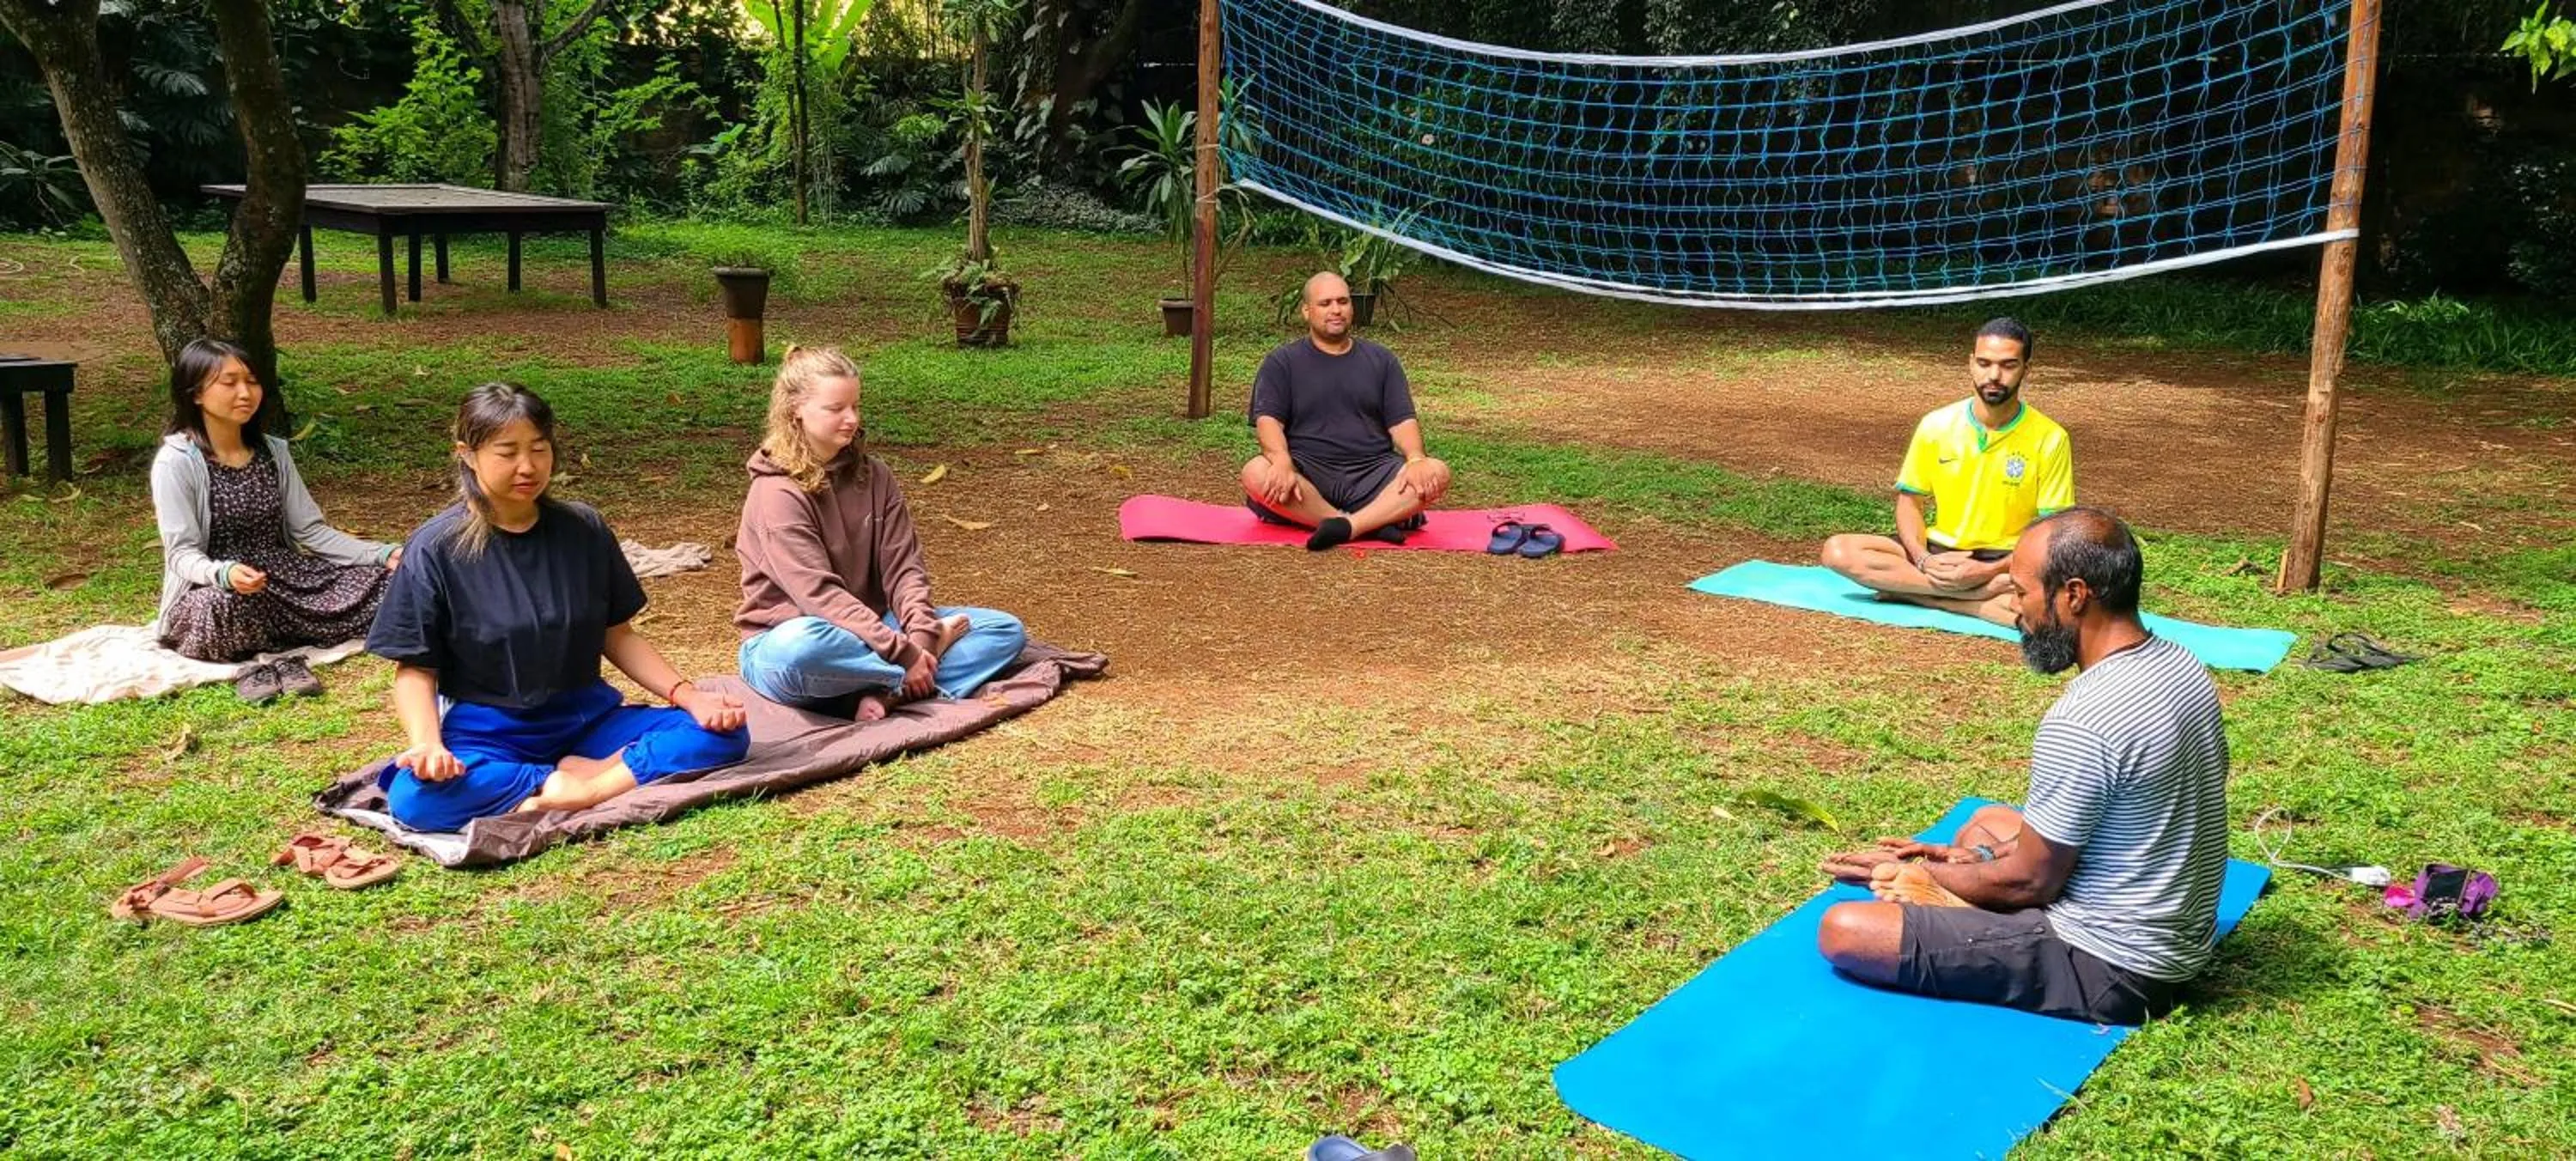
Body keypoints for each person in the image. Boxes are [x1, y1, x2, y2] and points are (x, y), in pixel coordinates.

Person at [1814, 509, 2229, 1026]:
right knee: (1986, 822)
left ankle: (1960, 909)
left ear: (2074, 595)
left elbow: (2030, 884)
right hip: (2171, 926)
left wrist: (1920, 873)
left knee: (1845, 928)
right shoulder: (2177, 663)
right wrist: (1962, 856)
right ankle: (1962, 891)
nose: (2015, 608)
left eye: (2023, 592)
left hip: (2116, 966)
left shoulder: (2085, 719)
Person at [366, 383, 749, 831]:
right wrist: (428, 745)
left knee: (724, 733)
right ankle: (563, 778)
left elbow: (618, 635)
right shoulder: (436, 547)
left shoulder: (583, 528)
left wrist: (690, 695)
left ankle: (588, 789)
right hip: (488, 733)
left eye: (539, 449)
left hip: (587, 720)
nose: (527, 467)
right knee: (415, 801)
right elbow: (414, 669)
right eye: (507, 452)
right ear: (467, 454)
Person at [734, 346, 1029, 720]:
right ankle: (909, 675)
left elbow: (905, 568)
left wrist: (918, 638)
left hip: (874, 630)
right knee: (803, 648)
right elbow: (818, 597)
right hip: (793, 640)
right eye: (835, 409)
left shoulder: (874, 475)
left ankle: (881, 692)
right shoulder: (775, 492)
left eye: (855, 406)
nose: (851, 419)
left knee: (1002, 630)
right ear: (796, 410)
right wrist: (906, 653)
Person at [149, 338, 398, 702]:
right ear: (196, 394)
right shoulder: (177, 462)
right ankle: (282, 638)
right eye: (229, 382)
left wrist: (382, 554)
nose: (245, 392)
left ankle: (280, 637)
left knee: (390, 583)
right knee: (221, 609)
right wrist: (224, 573)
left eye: (251, 381)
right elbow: (180, 554)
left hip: (285, 580)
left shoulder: (272, 451)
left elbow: (310, 531)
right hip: (214, 586)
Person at [1819, 318, 2072, 626]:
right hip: (1937, 555)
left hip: (2006, 559)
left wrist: (1988, 571)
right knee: (1839, 552)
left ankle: (1917, 594)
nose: (1994, 375)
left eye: (2008, 365)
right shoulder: (1936, 425)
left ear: (2025, 369)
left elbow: (2051, 530)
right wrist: (1924, 559)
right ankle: (1971, 597)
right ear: (1970, 363)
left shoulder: (2050, 437)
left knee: (2047, 618)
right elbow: (1910, 501)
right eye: (1984, 363)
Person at [1240, 270, 1451, 550]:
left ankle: (1346, 527)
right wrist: (1281, 462)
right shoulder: (1282, 362)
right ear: (1306, 311)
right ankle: (1370, 522)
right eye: (1325, 303)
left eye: (1343, 301)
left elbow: (1402, 422)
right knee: (1255, 472)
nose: (1336, 310)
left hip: (1373, 471)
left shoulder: (1381, 360)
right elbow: (1269, 422)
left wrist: (1415, 458)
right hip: (1309, 472)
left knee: (1437, 471)